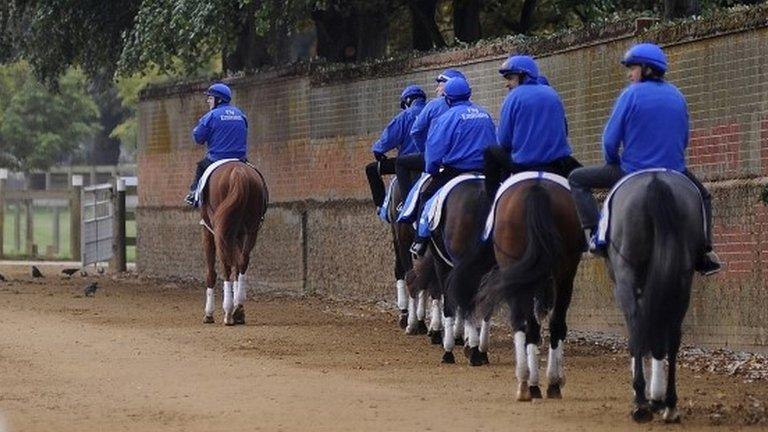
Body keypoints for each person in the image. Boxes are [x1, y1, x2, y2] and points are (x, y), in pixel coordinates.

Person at [567, 42, 721, 275]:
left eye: (632, 68)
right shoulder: (678, 96)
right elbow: (684, 138)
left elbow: (610, 140)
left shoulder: (630, 95)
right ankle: (704, 251)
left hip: (632, 170)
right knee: (704, 197)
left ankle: (596, 235)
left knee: (577, 178)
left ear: (647, 69)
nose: (629, 74)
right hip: (675, 171)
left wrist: (612, 161)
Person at [409, 77, 498, 257]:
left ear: (447, 98)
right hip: (486, 172)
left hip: (455, 171)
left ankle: (420, 240)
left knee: (426, 196)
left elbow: (434, 150)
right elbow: (495, 143)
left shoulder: (447, 118)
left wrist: (432, 170)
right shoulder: (485, 114)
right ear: (469, 94)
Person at [484, 54, 581, 199]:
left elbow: (504, 141)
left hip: (523, 165)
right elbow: (564, 131)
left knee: (490, 152)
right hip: (556, 164)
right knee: (584, 183)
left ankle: (492, 204)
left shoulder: (513, 97)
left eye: (510, 78)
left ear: (523, 76)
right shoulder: (553, 94)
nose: (507, 83)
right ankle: (595, 219)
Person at [394, 69, 466, 197]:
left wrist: (425, 151)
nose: (436, 89)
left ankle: (407, 207)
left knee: (400, 163)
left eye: (440, 84)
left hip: (441, 160)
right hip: (468, 161)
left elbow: (416, 131)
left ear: (449, 85)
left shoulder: (433, 106)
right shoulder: (475, 109)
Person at [184, 83, 248, 206]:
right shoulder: (241, 114)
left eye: (210, 98)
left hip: (216, 159)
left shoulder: (211, 116)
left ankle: (193, 195)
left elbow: (199, 139)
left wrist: (196, 131)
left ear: (218, 100)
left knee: (201, 167)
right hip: (240, 159)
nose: (208, 101)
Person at [364, 85, 426, 209]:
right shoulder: (433, 112)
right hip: (433, 160)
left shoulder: (405, 116)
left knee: (371, 169)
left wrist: (378, 150)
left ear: (407, 101)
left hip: (408, 162)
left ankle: (381, 206)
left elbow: (387, 140)